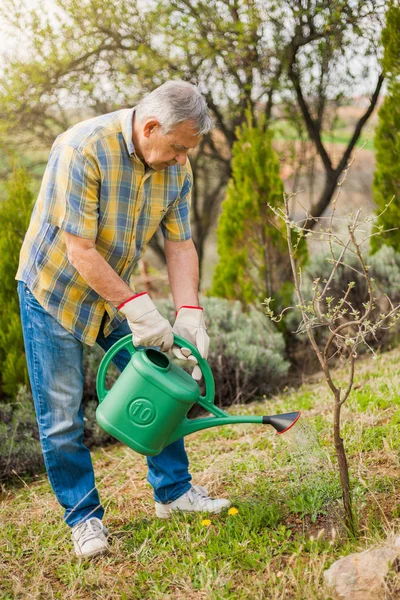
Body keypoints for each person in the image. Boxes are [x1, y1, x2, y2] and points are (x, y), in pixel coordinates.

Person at [16, 80, 230, 559]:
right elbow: (79, 251)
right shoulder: (82, 148)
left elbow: (179, 245)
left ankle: (173, 493)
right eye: (177, 147)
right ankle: (84, 520)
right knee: (61, 417)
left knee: (166, 381)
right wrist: (138, 308)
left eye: (186, 151)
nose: (181, 159)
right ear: (151, 127)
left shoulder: (176, 165)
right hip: (54, 291)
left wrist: (190, 312)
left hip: (115, 291)